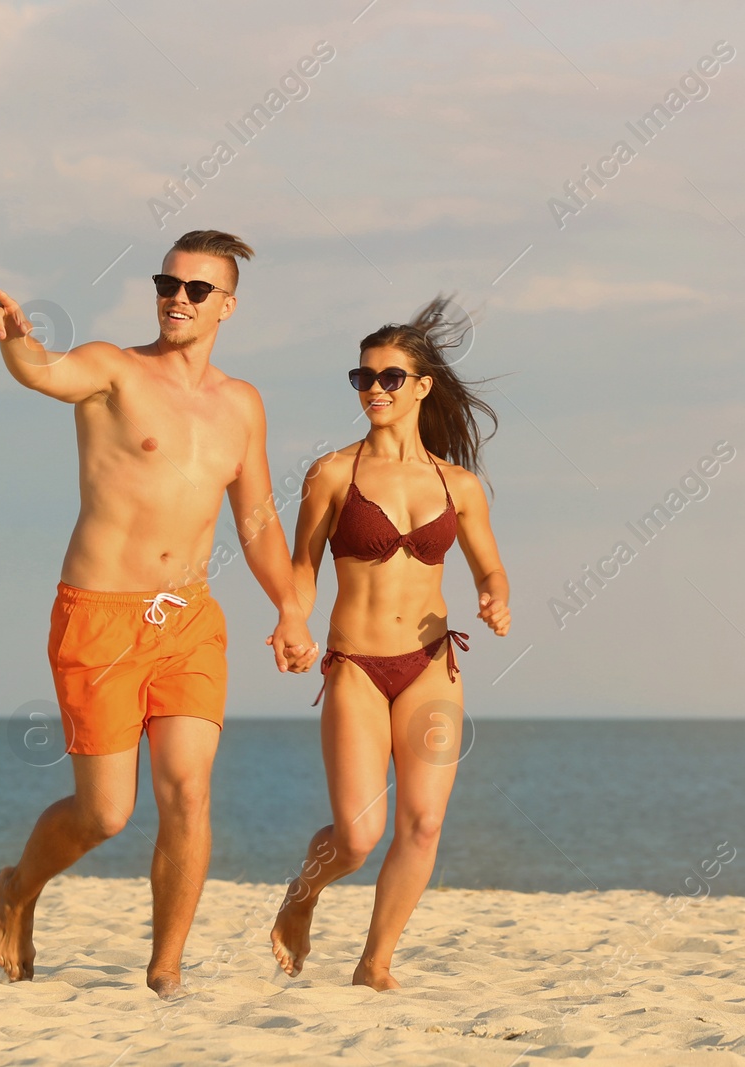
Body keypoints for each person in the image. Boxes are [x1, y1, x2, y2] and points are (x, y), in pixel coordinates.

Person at [0, 230, 317, 998]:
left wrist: (290, 608)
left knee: (189, 789)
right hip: (98, 616)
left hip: (188, 619)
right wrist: (14, 339)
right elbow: (47, 371)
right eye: (169, 282)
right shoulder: (114, 369)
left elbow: (258, 521)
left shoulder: (241, 404)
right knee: (105, 814)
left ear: (227, 305)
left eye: (198, 289)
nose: (178, 297)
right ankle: (18, 888)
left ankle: (165, 967)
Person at [269, 295, 510, 991]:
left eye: (389, 377)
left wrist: (495, 593)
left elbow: (488, 563)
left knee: (425, 822)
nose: (373, 388)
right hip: (357, 668)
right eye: (363, 377)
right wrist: (293, 622)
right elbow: (301, 566)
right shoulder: (332, 474)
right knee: (357, 836)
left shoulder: (457, 484)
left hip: (432, 664)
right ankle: (303, 895)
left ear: (422, 386)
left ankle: (375, 962)